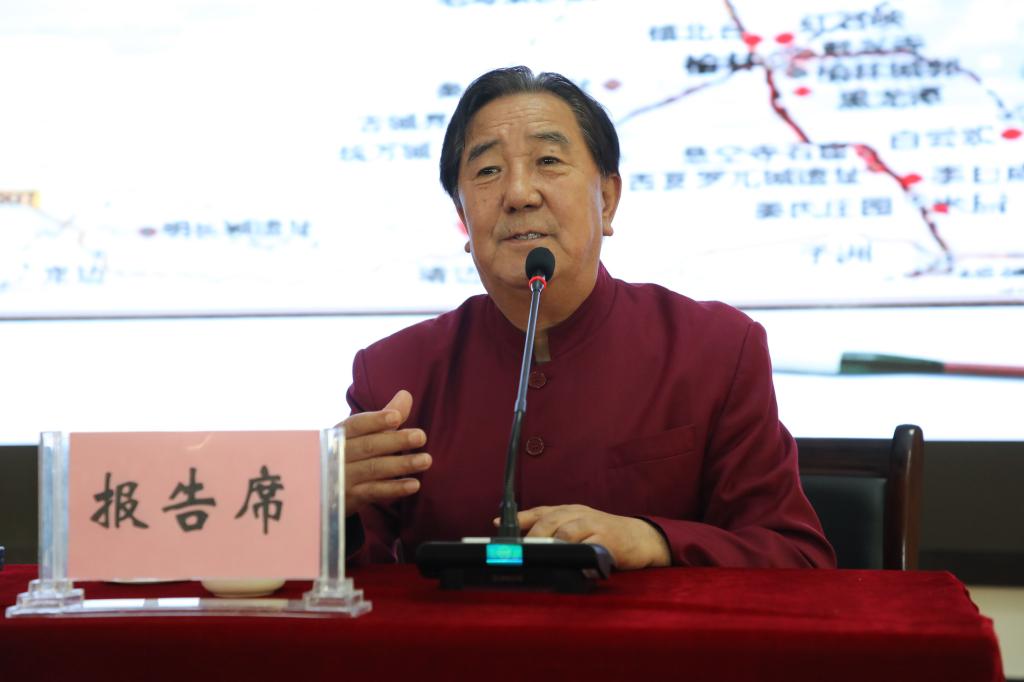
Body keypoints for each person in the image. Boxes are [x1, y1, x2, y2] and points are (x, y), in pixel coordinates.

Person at [342, 66, 835, 570]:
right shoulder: (394, 374)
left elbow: (797, 559)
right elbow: (352, 584)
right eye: (488, 171)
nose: (519, 194)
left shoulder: (715, 349)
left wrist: (655, 541)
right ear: (463, 218)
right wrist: (330, 507)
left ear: (608, 200)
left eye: (548, 161)